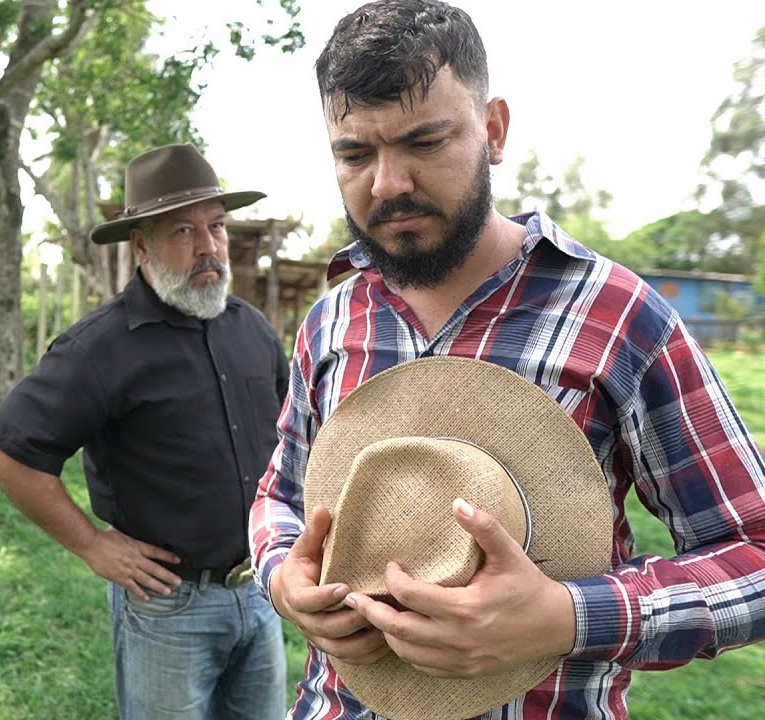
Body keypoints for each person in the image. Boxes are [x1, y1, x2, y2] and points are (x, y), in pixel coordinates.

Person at [249, 1, 765, 718]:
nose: (388, 182)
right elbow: (279, 494)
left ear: (493, 130)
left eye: (425, 141)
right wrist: (283, 576)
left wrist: (566, 616)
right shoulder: (331, 320)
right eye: (355, 154)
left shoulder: (616, 317)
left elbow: (756, 551)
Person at [0, 143, 290, 719]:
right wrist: (92, 544)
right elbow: (6, 448)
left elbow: (292, 440)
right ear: (141, 245)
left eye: (216, 227)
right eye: (183, 232)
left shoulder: (250, 329)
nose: (208, 247)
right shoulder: (101, 347)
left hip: (264, 591)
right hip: (168, 606)